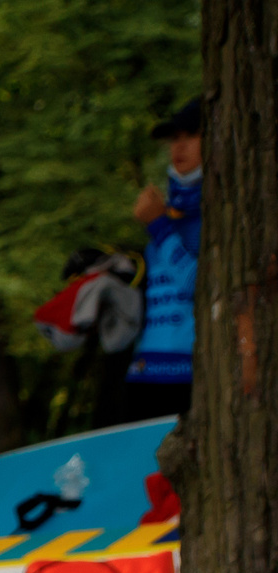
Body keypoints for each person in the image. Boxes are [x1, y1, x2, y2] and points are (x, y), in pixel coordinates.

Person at [114, 98, 201, 424]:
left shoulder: (218, 210)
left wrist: (160, 226)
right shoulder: (167, 211)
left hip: (188, 373)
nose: (178, 147)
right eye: (173, 138)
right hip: (145, 371)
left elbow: (200, 284)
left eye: (190, 135)